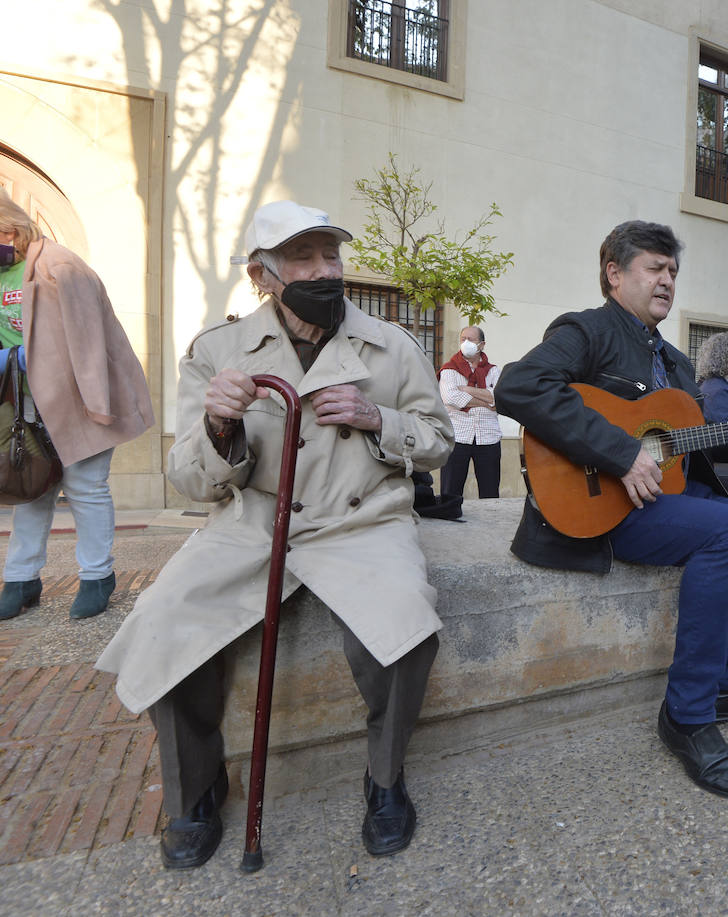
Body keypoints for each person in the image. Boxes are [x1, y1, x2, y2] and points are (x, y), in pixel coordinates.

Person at [96, 201, 454, 869]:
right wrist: (220, 429)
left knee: (409, 627)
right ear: (263, 275)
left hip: (360, 518)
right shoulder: (217, 351)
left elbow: (437, 441)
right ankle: (197, 788)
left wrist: (379, 418)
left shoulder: (393, 345)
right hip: (254, 523)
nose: (324, 270)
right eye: (302, 258)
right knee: (162, 620)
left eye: (331, 255)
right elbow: (191, 480)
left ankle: (384, 777)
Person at [495, 220, 728, 800]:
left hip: (665, 498)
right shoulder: (586, 332)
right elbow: (521, 387)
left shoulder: (679, 364)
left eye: (674, 272)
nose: (668, 281)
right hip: (605, 507)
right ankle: (686, 716)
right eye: (655, 269)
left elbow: (693, 436)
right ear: (615, 273)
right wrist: (617, 452)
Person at [0, 190, 154, 622]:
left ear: (8, 230)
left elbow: (90, 344)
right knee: (31, 490)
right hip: (23, 404)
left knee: (86, 489)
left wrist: (99, 408)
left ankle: (96, 577)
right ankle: (21, 579)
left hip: (78, 398)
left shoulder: (60, 266)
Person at [438, 325, 501, 499]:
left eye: (471, 339)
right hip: (458, 435)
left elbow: (500, 400)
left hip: (488, 436)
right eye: (463, 339)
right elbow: (451, 399)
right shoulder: (450, 369)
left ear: (482, 345)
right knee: (450, 491)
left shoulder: (494, 371)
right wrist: (487, 400)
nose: (466, 343)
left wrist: (467, 389)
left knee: (490, 493)